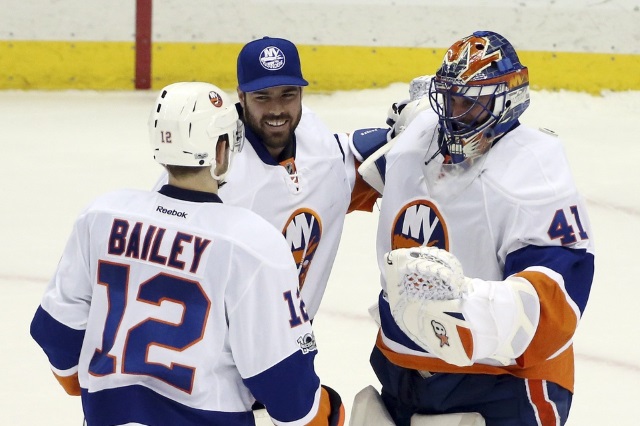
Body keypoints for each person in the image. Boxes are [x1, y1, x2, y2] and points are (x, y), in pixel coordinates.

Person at [30, 82, 344, 426]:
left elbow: (56, 330)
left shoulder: (102, 215)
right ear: (222, 150)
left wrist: (85, 382)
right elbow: (288, 392)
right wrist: (327, 412)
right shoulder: (251, 243)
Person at [350, 31, 595, 426]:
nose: (454, 114)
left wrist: (464, 305)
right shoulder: (419, 133)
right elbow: (338, 179)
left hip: (501, 386)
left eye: (470, 103)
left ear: (507, 101)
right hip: (403, 373)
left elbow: (558, 302)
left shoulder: (534, 174)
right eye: (449, 99)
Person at [154, 36, 380, 322]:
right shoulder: (209, 171)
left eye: (288, 94)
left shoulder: (317, 139)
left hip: (292, 345)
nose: (276, 110)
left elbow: (361, 160)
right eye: (262, 97)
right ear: (240, 95)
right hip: (222, 352)